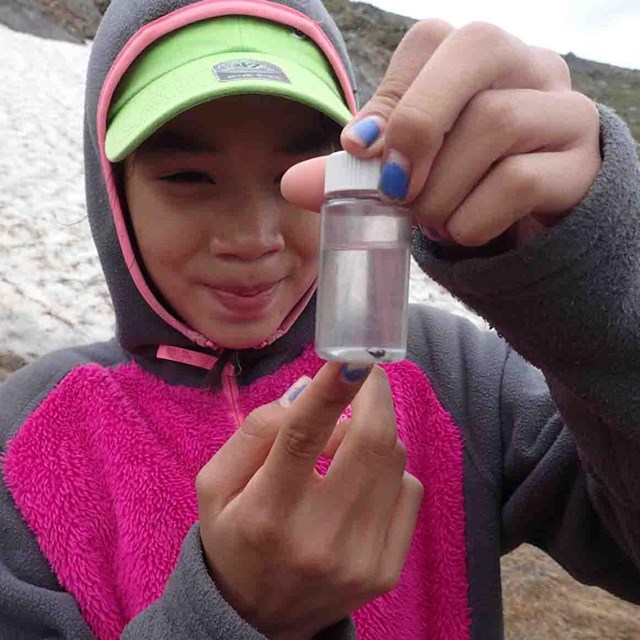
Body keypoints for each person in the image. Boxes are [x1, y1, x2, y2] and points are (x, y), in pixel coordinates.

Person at [1, 0, 639, 638]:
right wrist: (230, 616)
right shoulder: (26, 439)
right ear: (114, 193)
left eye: (299, 173)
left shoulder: (455, 373)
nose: (253, 239)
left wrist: (599, 288)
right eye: (190, 177)